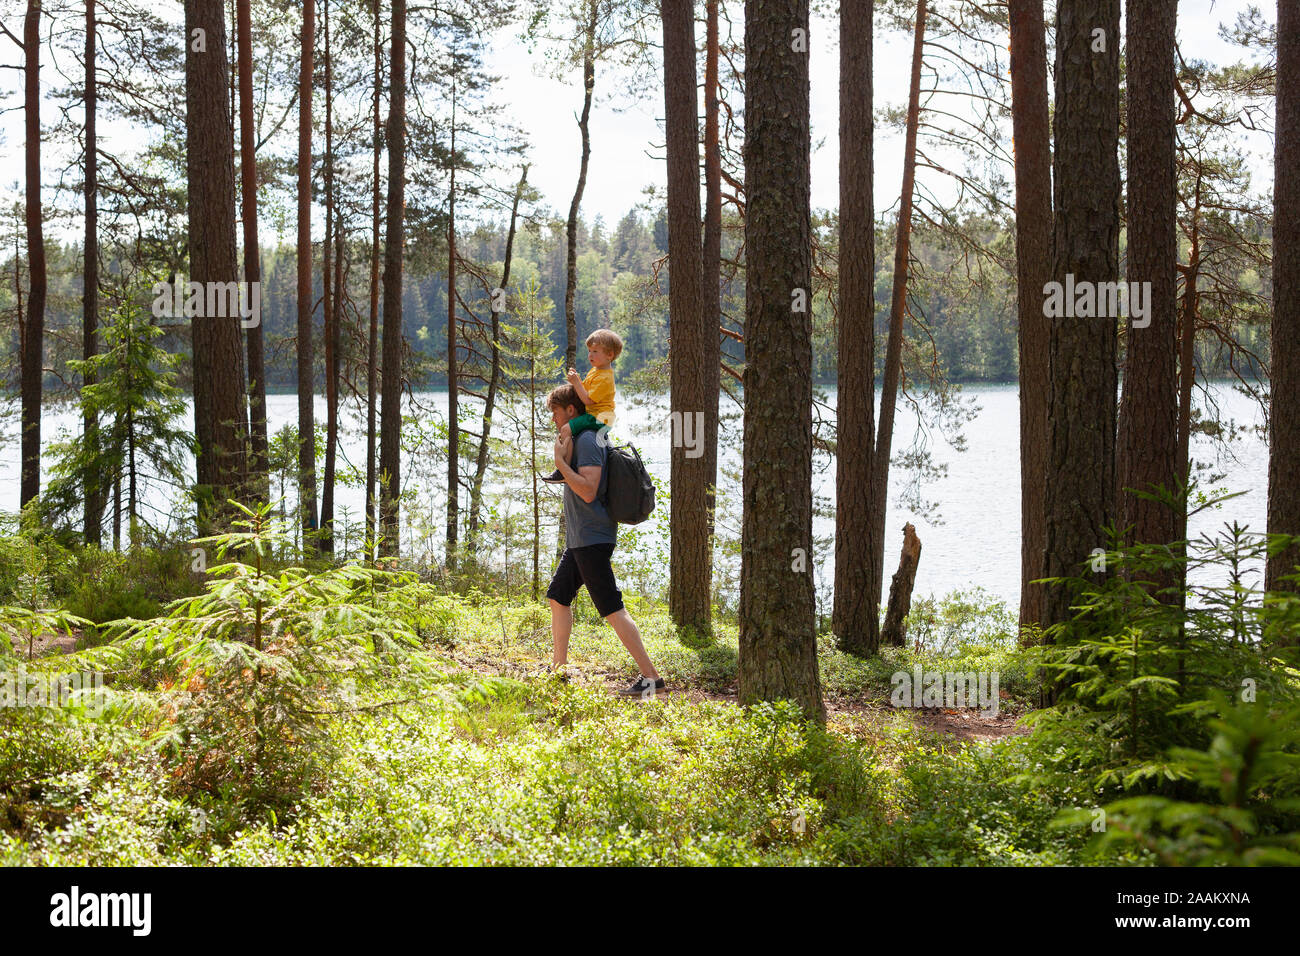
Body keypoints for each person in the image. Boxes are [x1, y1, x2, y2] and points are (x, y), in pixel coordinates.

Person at [543, 383, 664, 698]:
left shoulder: (587, 440)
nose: (554, 420)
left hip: (592, 537)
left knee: (611, 607)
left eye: (556, 413)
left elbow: (588, 489)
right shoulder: (584, 437)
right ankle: (558, 668)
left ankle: (651, 678)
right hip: (582, 538)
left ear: (571, 410)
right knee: (558, 596)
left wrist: (560, 465)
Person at [542, 329, 622, 483]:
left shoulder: (605, 378)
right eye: (589, 351)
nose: (590, 355)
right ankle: (567, 467)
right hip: (594, 415)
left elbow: (588, 400)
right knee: (569, 432)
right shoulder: (596, 371)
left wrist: (576, 382)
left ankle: (565, 469)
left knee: (566, 429)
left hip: (599, 418)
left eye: (595, 351)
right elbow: (583, 390)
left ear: (609, 355)